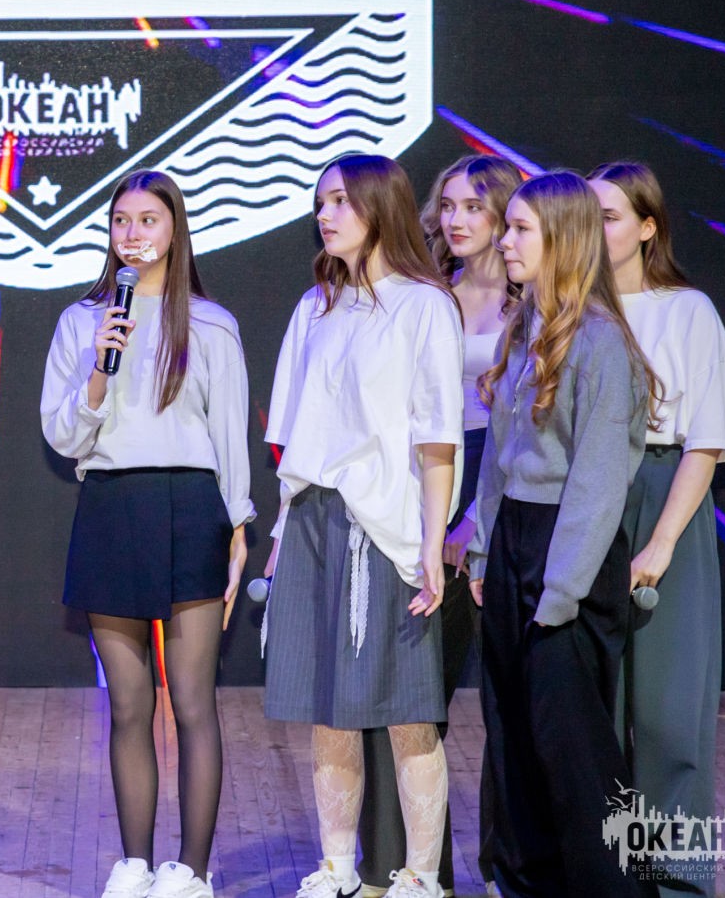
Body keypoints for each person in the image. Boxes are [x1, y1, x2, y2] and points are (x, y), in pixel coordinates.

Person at [41, 171, 253, 898]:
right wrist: (98, 374)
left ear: (174, 229)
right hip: (111, 504)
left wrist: (237, 527)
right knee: (129, 704)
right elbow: (63, 435)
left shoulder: (212, 324)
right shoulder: (82, 322)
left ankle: (191, 871)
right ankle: (135, 863)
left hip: (192, 507)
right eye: (121, 221)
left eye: (148, 220)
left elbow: (230, 434)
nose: (133, 234)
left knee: (192, 702)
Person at [262, 154, 461, 898]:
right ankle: (337, 866)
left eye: (342, 200)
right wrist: (281, 533)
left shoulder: (424, 305)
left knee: (409, 711)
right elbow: (292, 435)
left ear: (381, 207)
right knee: (328, 708)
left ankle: (422, 876)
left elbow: (437, 438)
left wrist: (432, 543)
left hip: (386, 530)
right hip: (315, 519)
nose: (326, 214)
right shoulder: (315, 306)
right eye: (322, 202)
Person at [468, 170, 660, 898]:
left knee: (575, 750)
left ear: (565, 239)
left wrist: (561, 590)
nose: (505, 241)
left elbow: (598, 483)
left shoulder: (601, 343)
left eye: (521, 229)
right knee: (513, 734)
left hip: (567, 555)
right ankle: (528, 883)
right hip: (516, 541)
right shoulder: (526, 330)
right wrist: (485, 546)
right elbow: (499, 457)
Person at [356, 154, 522, 898]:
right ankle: (409, 869)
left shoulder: (532, 303)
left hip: (505, 483)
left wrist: (476, 519)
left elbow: (525, 433)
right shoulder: (428, 295)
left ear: (507, 216)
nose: (456, 220)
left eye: (474, 207)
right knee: (412, 696)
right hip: (430, 478)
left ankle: (509, 868)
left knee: (511, 704)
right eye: (447, 206)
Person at [590, 161, 725, 897]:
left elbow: (706, 442)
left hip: (664, 498)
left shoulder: (688, 311)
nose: (595, 228)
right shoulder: (572, 308)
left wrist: (659, 542)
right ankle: (606, 876)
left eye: (610, 215)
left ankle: (676, 884)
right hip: (588, 496)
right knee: (592, 711)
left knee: (667, 716)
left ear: (648, 226)